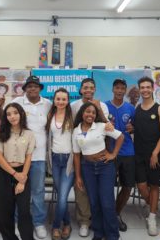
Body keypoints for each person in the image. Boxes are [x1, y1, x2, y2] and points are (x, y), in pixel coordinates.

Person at [72, 102, 124, 240]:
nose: (90, 114)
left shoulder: (102, 126)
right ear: (82, 113)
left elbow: (120, 137)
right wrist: (78, 176)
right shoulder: (76, 131)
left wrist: (113, 154)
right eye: (88, 112)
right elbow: (76, 155)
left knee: (107, 203)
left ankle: (112, 234)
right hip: (87, 168)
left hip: (105, 167)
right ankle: (99, 232)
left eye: (93, 113)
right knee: (94, 203)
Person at [11, 76, 52, 239]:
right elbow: (7, 121)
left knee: (38, 190)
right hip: (18, 156)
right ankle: (16, 221)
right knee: (18, 190)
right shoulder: (17, 102)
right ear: (25, 89)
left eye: (35, 86)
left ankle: (38, 223)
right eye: (29, 86)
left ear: (40, 88)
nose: (32, 89)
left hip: (39, 155)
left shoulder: (48, 104)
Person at [70, 77, 109, 237]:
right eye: (85, 87)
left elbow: (107, 126)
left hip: (99, 154)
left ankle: (99, 220)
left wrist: (98, 108)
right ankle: (84, 221)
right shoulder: (73, 106)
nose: (88, 90)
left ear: (94, 90)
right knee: (81, 189)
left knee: (98, 191)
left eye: (91, 87)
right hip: (79, 151)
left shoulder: (103, 105)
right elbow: (72, 127)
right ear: (80, 90)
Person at [130, 76, 160, 236]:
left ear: (152, 89)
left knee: (154, 186)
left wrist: (155, 153)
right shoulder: (137, 109)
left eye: (147, 87)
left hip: (155, 155)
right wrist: (131, 128)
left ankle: (152, 217)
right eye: (142, 87)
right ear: (139, 90)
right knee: (141, 186)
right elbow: (135, 128)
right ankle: (153, 205)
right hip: (138, 153)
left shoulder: (159, 109)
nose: (145, 90)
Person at [0, 103, 35, 240]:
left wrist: (22, 178)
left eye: (15, 113)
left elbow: (29, 157)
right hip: (4, 173)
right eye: (9, 114)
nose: (12, 116)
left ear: (21, 113)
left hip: (23, 172)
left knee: (24, 212)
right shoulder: (0, 131)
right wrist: (15, 174)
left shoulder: (29, 134)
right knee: (4, 212)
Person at [104, 79, 136, 232]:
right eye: (117, 88)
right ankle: (106, 215)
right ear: (113, 89)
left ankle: (116, 214)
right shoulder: (104, 106)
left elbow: (134, 126)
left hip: (128, 152)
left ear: (125, 91)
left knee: (128, 185)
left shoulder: (131, 108)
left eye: (122, 88)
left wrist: (133, 128)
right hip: (108, 152)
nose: (119, 91)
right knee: (106, 186)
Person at [46, 88, 75, 240]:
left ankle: (56, 226)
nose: (61, 101)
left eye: (64, 99)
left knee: (62, 196)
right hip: (55, 160)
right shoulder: (50, 115)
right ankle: (67, 223)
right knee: (60, 195)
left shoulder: (73, 116)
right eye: (58, 99)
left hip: (69, 160)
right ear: (54, 100)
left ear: (68, 100)